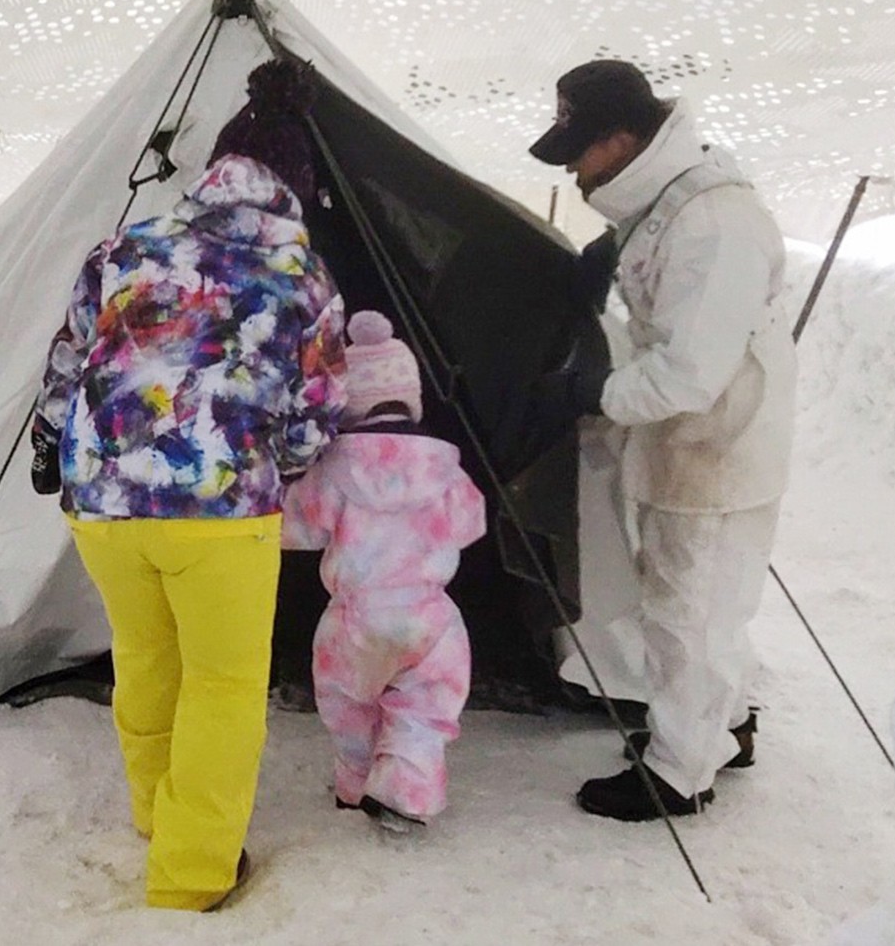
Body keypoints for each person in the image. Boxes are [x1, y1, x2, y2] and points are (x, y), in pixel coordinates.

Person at [31, 57, 347, 911]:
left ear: (214, 171)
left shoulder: (127, 247)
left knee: (146, 658)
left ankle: (153, 812)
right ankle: (193, 872)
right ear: (296, 185)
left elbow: (69, 362)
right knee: (223, 685)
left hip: (99, 500)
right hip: (220, 512)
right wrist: (268, 469)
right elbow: (319, 412)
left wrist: (55, 442)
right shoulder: (301, 278)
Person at [522, 59, 795, 822]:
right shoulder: (671, 203)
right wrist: (614, 251)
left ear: (621, 137)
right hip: (695, 441)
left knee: (691, 610)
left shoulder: (713, 225)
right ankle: (721, 725)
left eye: (580, 149)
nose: (574, 167)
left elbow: (688, 376)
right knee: (699, 601)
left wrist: (591, 393)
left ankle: (681, 773)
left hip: (717, 442)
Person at [282, 310, 485, 833]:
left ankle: (354, 782)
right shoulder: (446, 468)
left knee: (349, 707)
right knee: (424, 707)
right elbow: (470, 522)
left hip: (353, 620)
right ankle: (405, 789)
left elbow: (298, 527)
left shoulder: (334, 467)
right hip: (429, 618)